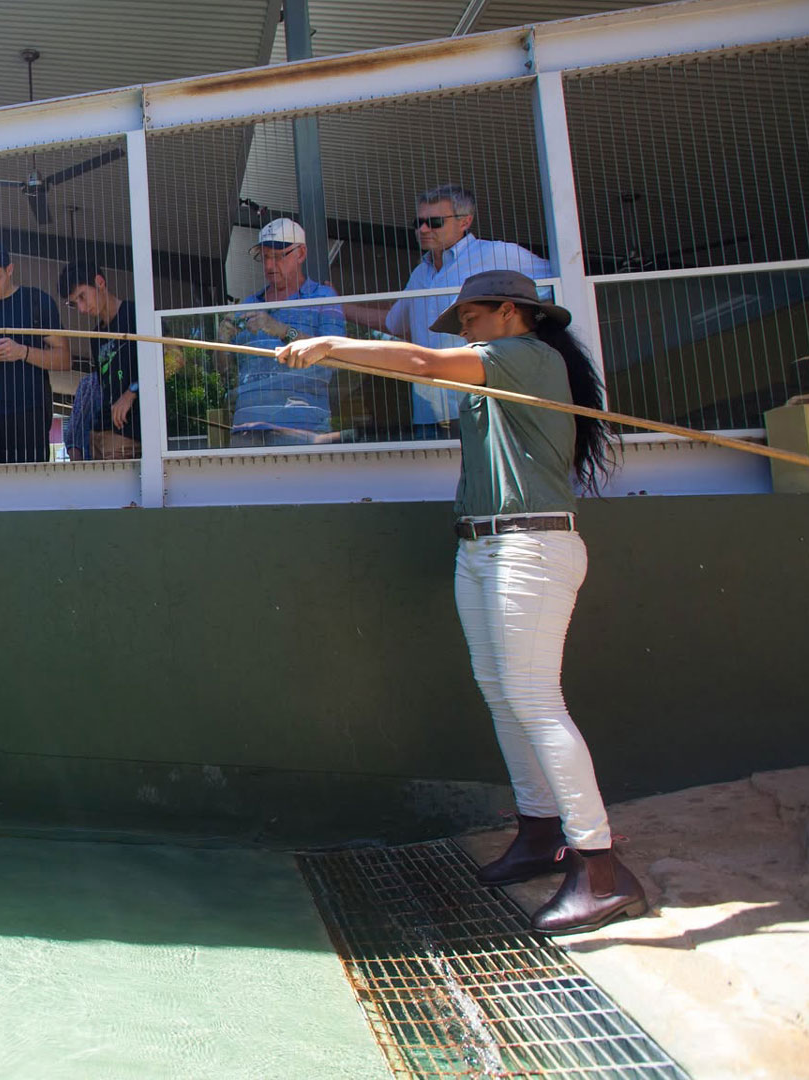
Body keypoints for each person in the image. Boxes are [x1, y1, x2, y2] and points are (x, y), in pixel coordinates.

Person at [278, 270, 644, 936]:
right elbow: (426, 368)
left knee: (535, 700)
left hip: (529, 546)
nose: (464, 331)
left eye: (470, 319)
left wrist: (330, 344)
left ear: (510, 312)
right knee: (501, 694)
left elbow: (421, 360)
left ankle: (599, 866)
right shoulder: (492, 374)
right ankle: (540, 835)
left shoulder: (527, 356)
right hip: (482, 547)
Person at [351, 185, 553, 437]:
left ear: (465, 221)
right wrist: (338, 307)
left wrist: (526, 340)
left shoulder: (500, 254)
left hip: (484, 404)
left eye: (434, 222)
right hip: (429, 413)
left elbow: (560, 282)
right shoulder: (420, 274)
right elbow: (395, 324)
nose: (423, 230)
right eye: (419, 222)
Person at [217, 219, 347, 445]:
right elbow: (224, 374)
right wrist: (220, 342)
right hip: (247, 427)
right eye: (265, 256)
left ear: (301, 253)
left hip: (301, 426)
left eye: (278, 256)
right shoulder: (248, 304)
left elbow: (337, 356)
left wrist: (282, 330)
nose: (269, 265)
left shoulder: (323, 299)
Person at [0, 242, 70, 464]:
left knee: (29, 491)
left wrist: (23, 352)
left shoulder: (36, 301)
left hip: (30, 415)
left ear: (10, 269)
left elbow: (64, 359)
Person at [58, 262, 140, 459]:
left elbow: (172, 359)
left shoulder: (136, 314)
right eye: (74, 304)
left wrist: (132, 392)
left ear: (99, 282)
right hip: (97, 435)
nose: (82, 309)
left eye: (82, 297)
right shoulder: (96, 336)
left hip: (131, 434)